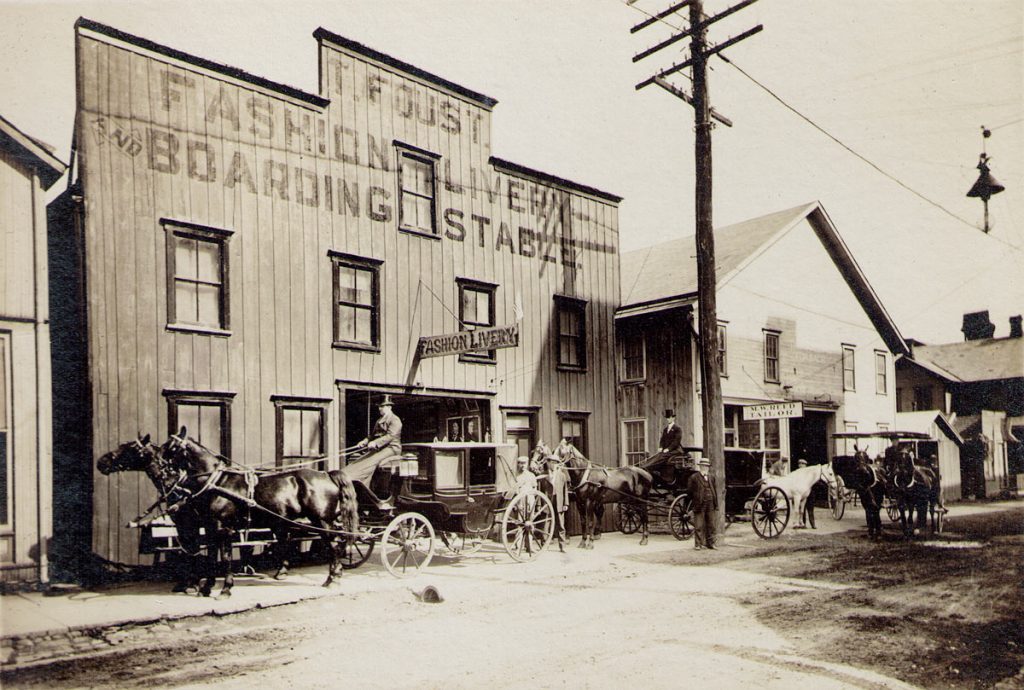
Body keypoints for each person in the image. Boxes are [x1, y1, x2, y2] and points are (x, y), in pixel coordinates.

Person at [344, 396, 403, 486]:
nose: (379, 408)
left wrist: (376, 443)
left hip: (392, 449)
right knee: (361, 460)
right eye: (379, 406)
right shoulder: (379, 421)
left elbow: (391, 436)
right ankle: (347, 477)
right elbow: (372, 435)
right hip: (380, 449)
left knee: (370, 462)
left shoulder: (395, 420)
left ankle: (361, 485)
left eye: (382, 406)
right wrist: (365, 441)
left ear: (389, 407)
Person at [686, 457, 718, 550]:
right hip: (699, 504)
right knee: (699, 525)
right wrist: (696, 500)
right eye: (703, 466)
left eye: (707, 466)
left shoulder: (711, 477)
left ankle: (711, 543)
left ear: (708, 467)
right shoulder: (694, 477)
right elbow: (689, 492)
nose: (705, 468)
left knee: (711, 524)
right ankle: (698, 544)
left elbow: (714, 490)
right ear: (700, 467)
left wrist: (715, 503)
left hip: (711, 503)